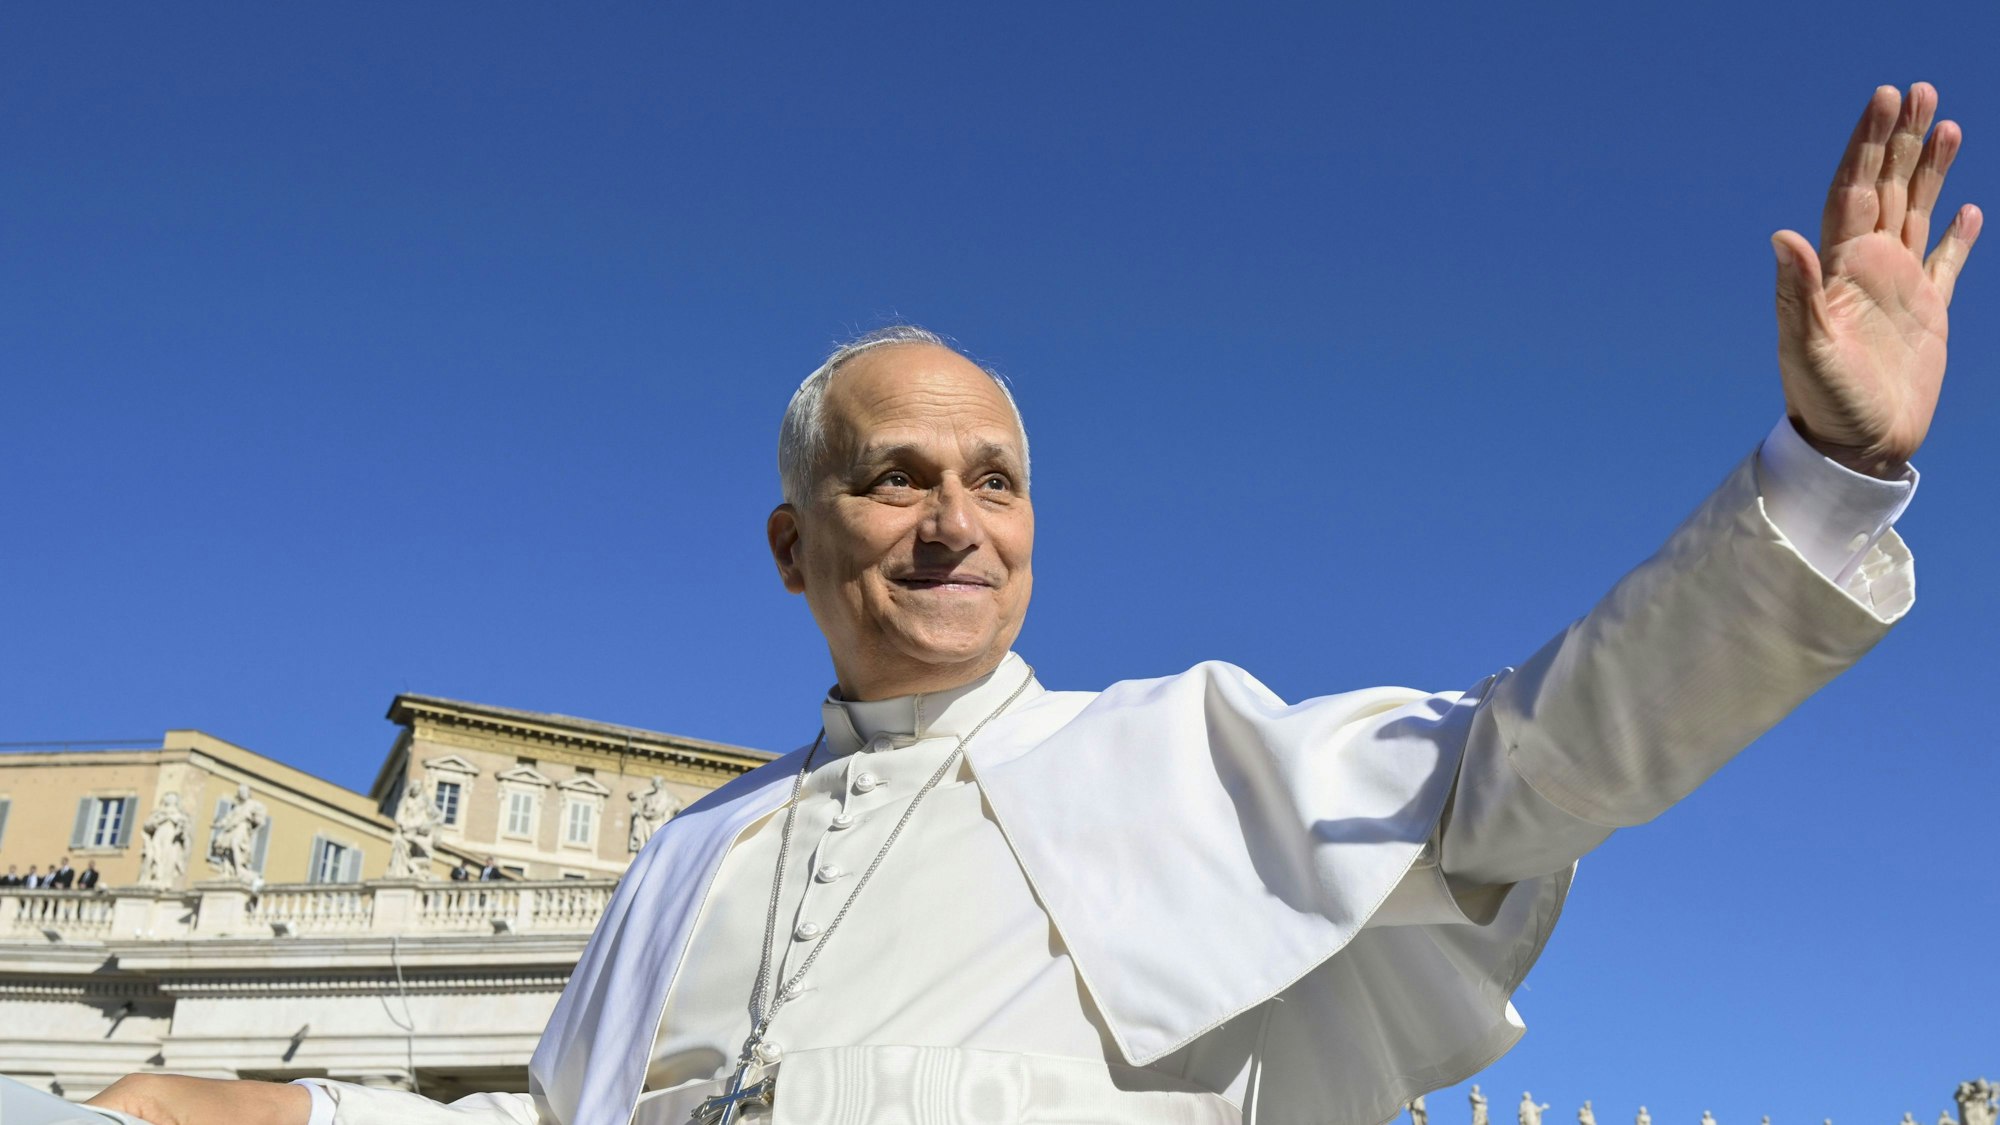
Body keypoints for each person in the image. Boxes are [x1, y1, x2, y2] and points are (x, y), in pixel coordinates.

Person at [90, 82, 1982, 1125]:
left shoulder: (1179, 755)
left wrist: (1826, 472)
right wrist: (304, 1121)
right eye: (895, 477)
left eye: (993, 477)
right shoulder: (684, 864)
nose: (952, 523)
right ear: (793, 543)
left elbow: (1547, 759)